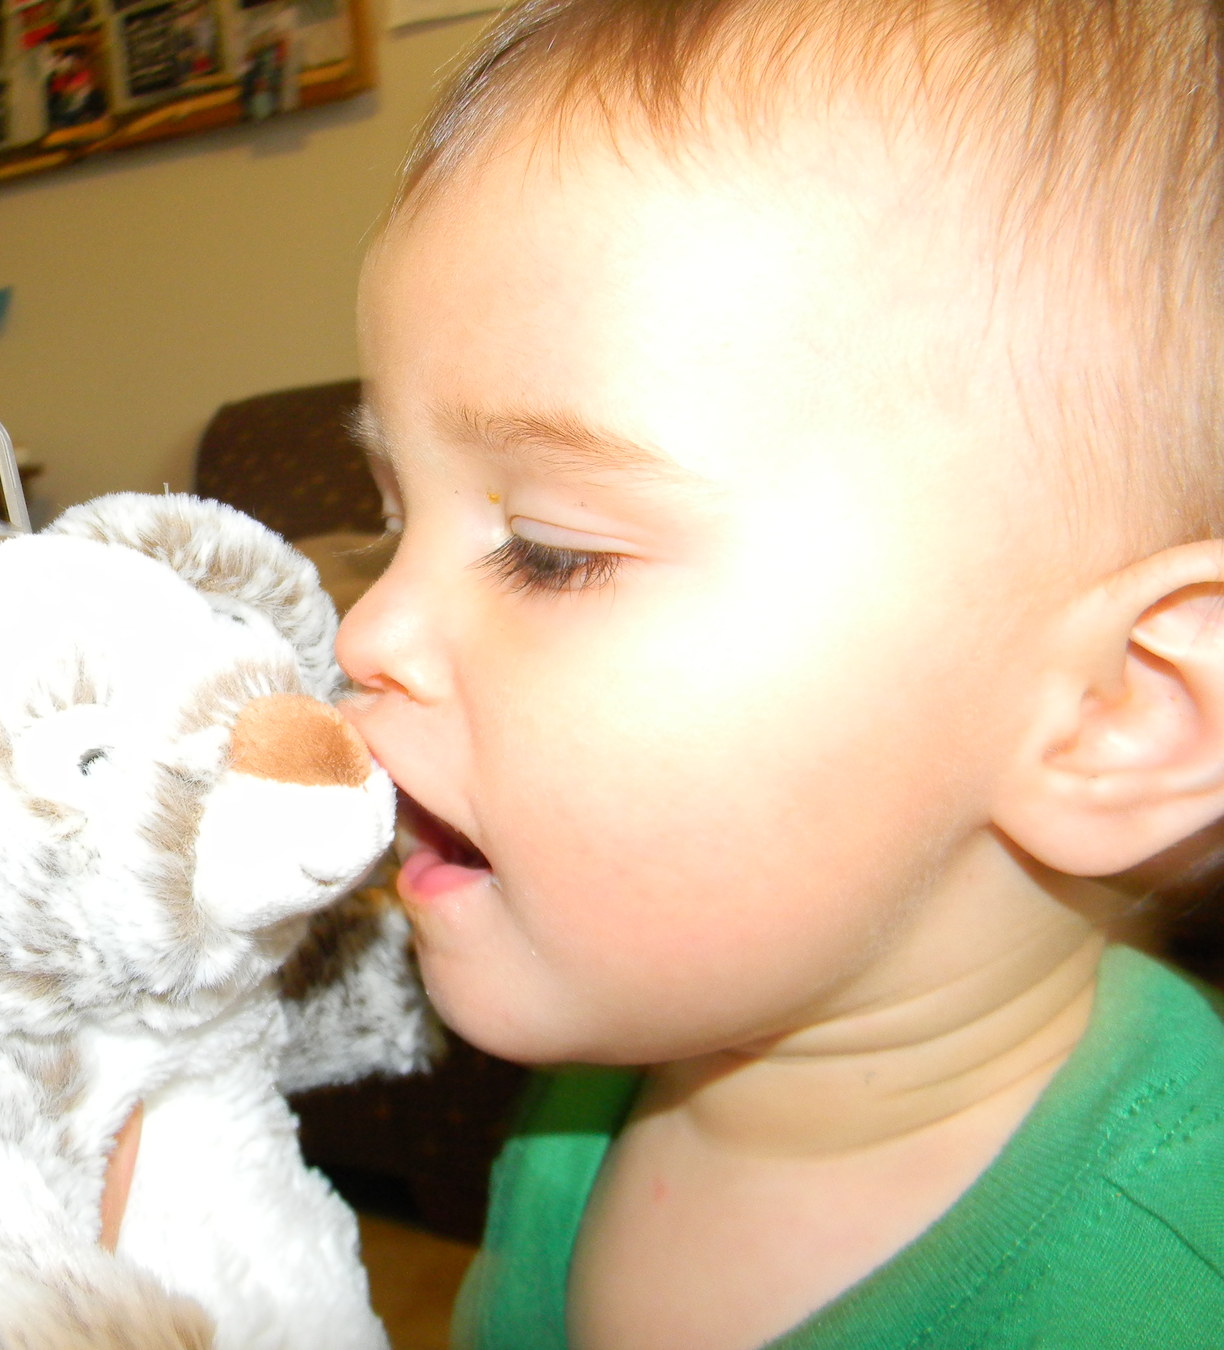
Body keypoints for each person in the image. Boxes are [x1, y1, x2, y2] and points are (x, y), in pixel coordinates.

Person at [331, 1, 1224, 1347]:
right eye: (391, 519)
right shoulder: (610, 1069)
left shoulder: (1163, 1294)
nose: (367, 632)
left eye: (552, 551)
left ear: (1123, 713)